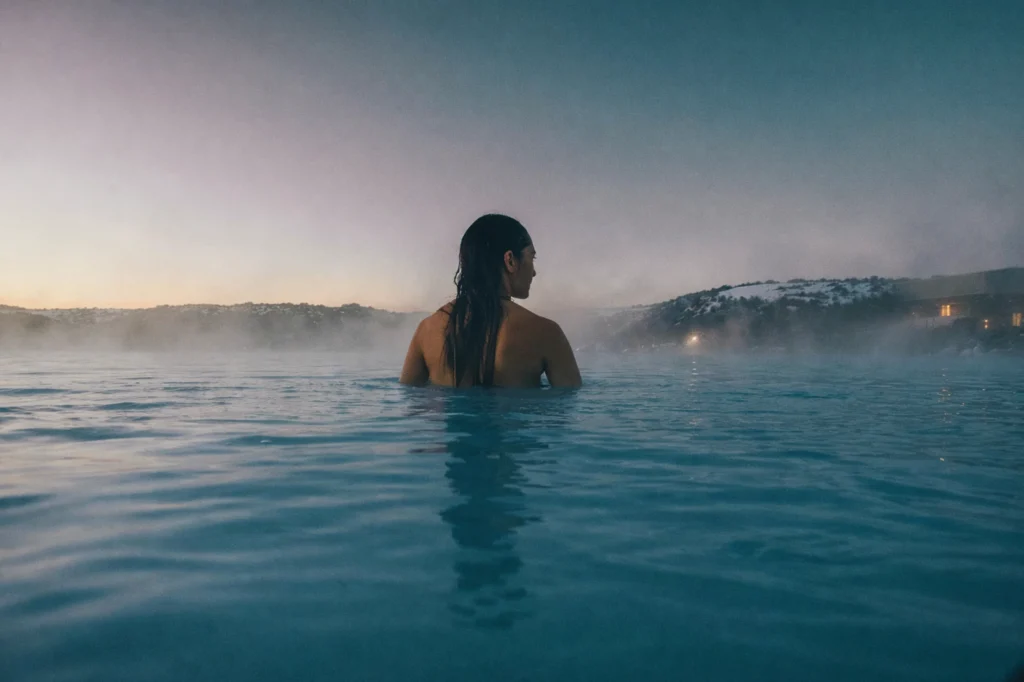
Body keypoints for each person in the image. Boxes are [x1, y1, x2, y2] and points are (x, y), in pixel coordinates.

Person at [400, 214, 582, 388]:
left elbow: (410, 402)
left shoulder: (426, 330)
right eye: (531, 257)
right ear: (510, 260)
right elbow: (568, 408)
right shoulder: (547, 333)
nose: (534, 272)